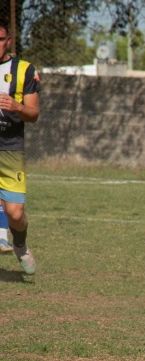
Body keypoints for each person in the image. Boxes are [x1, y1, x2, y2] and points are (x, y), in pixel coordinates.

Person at [0, 22, 40, 274]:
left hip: (11, 147)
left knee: (15, 213)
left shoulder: (24, 70)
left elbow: (34, 113)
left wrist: (17, 108)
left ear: (8, 41)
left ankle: (20, 243)